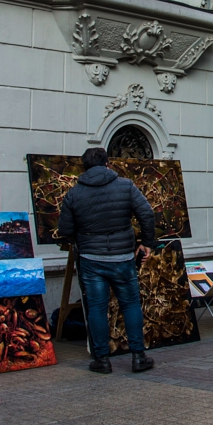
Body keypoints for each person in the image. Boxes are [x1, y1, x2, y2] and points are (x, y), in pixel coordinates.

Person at [58, 147, 156, 373]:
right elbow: (147, 214)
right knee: (130, 304)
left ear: (84, 167)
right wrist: (146, 243)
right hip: (122, 257)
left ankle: (101, 360)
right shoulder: (126, 186)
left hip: (91, 259)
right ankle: (138, 357)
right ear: (108, 164)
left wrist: (82, 237)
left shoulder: (74, 194)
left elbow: (65, 228)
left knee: (97, 308)